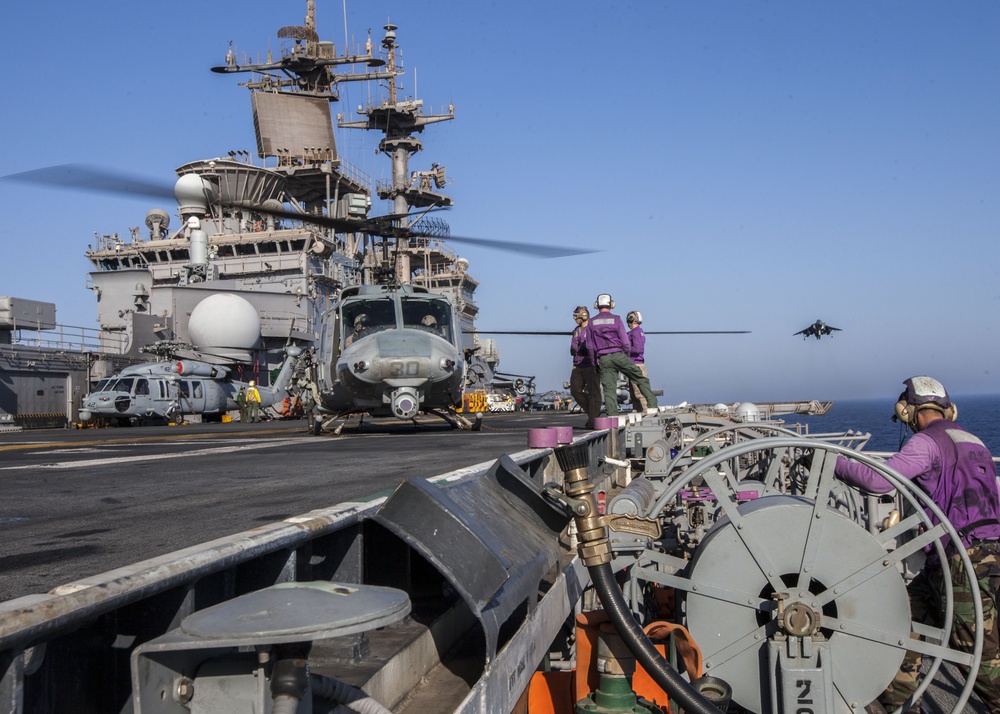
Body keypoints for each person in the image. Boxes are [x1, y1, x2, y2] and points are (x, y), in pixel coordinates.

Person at [834, 376, 1000, 712]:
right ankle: (897, 702)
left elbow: (878, 482)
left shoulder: (926, 442)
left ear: (907, 411)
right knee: (906, 620)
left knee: (978, 655)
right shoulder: (974, 441)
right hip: (979, 552)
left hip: (962, 560)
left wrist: (833, 463)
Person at [585, 293, 657, 417]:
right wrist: (625, 356)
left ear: (597, 305)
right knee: (639, 377)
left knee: (609, 389)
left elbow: (590, 346)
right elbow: (626, 343)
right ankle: (652, 405)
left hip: (604, 359)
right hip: (619, 355)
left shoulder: (591, 322)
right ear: (611, 305)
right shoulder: (617, 319)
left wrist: (594, 362)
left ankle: (612, 417)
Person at [569, 305, 602, 429]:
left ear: (584, 316)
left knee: (594, 393)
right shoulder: (576, 330)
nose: (575, 319)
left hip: (591, 365)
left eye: (577, 316)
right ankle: (593, 412)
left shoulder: (592, 329)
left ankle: (593, 419)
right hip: (578, 365)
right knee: (575, 391)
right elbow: (573, 348)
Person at [626, 310, 649, 412]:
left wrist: (625, 349)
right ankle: (638, 410)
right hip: (636, 365)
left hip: (636, 365)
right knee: (634, 392)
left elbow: (637, 349)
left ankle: (645, 410)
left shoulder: (635, 333)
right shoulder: (638, 332)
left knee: (638, 392)